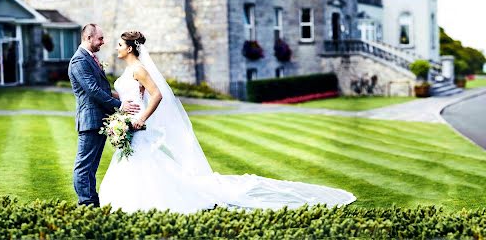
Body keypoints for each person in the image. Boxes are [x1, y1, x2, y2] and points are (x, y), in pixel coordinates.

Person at [99, 30, 356, 213]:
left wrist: (141, 118)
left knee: (144, 161)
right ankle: (131, 200)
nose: (117, 48)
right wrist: (108, 96)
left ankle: (154, 200)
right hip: (128, 122)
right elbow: (124, 96)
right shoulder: (126, 72)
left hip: (138, 124)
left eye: (120, 45)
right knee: (135, 160)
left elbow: (157, 95)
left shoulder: (140, 70)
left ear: (130, 48)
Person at [68, 23, 140, 207]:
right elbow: (92, 90)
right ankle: (86, 203)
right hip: (90, 120)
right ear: (88, 38)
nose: (103, 42)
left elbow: (102, 89)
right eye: (100, 38)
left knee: (91, 166)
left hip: (99, 120)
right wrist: (120, 105)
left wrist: (123, 95)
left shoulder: (90, 58)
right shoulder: (79, 61)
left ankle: (92, 200)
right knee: (84, 166)